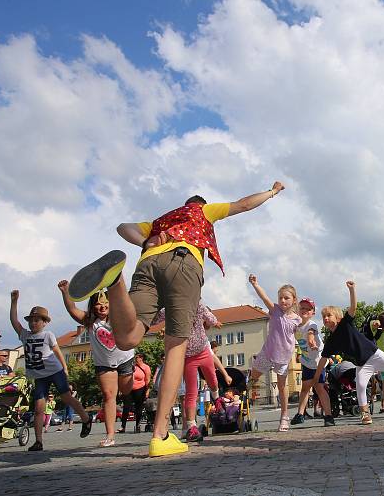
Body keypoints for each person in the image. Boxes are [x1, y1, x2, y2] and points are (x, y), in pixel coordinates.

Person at [66, 182, 285, 457]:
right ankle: (160, 436)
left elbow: (123, 227)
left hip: (147, 263)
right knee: (176, 347)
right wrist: (272, 192)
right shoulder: (202, 210)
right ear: (200, 204)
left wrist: (145, 241)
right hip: (183, 263)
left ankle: (114, 282)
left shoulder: (160, 221)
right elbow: (243, 204)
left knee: (127, 338)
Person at [314, 281, 384, 425]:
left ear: (338, 318)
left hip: (374, 354)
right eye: (324, 317)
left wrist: (352, 290)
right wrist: (316, 375)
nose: (326, 318)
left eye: (329, 315)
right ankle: (365, 414)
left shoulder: (345, 324)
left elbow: (353, 307)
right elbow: (323, 358)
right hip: (361, 364)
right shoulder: (331, 340)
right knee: (360, 385)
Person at [10, 290, 91, 451]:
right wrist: (14, 302)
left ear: (44, 322)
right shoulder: (25, 336)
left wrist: (65, 367)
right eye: (31, 320)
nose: (33, 323)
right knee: (39, 408)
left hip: (55, 372)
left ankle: (85, 418)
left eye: (37, 320)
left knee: (67, 398)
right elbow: (14, 321)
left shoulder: (47, 335)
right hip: (40, 377)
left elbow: (57, 351)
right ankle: (38, 441)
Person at [59, 281, 135, 446]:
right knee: (109, 396)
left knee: (126, 390)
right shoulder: (90, 321)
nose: (102, 307)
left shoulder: (119, 316)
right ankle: (110, 436)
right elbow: (72, 310)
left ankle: (131, 379)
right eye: (98, 304)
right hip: (104, 364)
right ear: (93, 306)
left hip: (125, 359)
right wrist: (65, 292)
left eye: (105, 303)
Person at [247, 274, 300, 432]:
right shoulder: (274, 310)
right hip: (268, 352)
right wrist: (255, 284)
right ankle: (248, 384)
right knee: (255, 375)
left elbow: (303, 333)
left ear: (293, 300)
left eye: (286, 298)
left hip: (283, 357)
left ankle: (284, 417)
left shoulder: (297, 319)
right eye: (280, 298)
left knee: (282, 385)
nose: (283, 301)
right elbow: (264, 298)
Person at [181, 302, 233, 442]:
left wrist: (215, 322)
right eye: (207, 326)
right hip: (188, 358)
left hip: (204, 353)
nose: (208, 328)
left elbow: (209, 315)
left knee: (212, 380)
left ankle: (216, 399)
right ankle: (191, 427)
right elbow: (165, 315)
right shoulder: (180, 306)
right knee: (191, 393)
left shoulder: (198, 305)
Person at [291, 297, 334, 427]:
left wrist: (311, 340)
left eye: (308, 309)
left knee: (319, 388)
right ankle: (300, 414)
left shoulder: (312, 324)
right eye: (302, 308)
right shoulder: (296, 326)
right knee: (304, 388)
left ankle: (328, 416)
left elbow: (311, 333)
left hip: (318, 361)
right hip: (306, 362)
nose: (304, 310)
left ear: (312, 313)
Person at [121, 353, 151, 434]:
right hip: (129, 389)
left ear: (141, 358)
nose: (135, 359)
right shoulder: (132, 366)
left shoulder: (146, 367)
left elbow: (147, 381)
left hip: (140, 389)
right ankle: (123, 426)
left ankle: (137, 425)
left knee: (139, 408)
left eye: (137, 357)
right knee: (126, 407)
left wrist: (147, 391)